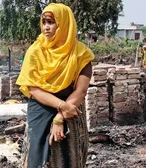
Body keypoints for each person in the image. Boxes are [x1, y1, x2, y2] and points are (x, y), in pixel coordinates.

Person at [16, 3, 95, 168]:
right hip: (41, 109)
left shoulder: (80, 54)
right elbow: (33, 89)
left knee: (69, 158)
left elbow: (80, 91)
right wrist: (60, 105)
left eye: (51, 22)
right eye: (44, 22)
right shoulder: (35, 51)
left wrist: (60, 116)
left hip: (71, 109)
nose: (46, 27)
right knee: (35, 158)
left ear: (64, 23)